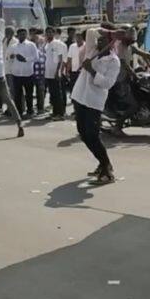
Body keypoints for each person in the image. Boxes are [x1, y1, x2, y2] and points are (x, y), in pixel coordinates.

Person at [71, 27, 121, 185]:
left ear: (111, 43)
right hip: (80, 96)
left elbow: (107, 83)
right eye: (99, 40)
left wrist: (92, 71)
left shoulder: (114, 61)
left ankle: (107, 169)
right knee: (83, 133)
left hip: (94, 101)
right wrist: (107, 31)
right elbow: (91, 32)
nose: (99, 42)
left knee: (92, 135)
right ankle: (102, 163)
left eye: (103, 40)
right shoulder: (92, 51)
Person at [9, 28, 38, 117]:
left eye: (24, 34)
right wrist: (12, 57)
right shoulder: (13, 46)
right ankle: (19, 112)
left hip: (28, 73)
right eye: (21, 34)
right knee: (17, 95)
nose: (23, 36)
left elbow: (36, 57)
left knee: (29, 94)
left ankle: (30, 111)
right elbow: (8, 57)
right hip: (16, 74)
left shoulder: (31, 45)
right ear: (17, 35)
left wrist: (25, 59)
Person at [44, 26, 67, 119]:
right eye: (47, 32)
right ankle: (54, 112)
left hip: (55, 73)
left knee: (58, 93)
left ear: (54, 33)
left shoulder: (58, 43)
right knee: (52, 94)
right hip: (48, 73)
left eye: (50, 32)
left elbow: (60, 59)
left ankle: (60, 114)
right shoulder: (47, 44)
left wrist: (58, 71)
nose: (49, 34)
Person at [32, 30, 47, 114]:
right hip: (31, 72)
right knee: (30, 92)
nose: (39, 40)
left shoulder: (44, 48)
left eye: (40, 39)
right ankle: (31, 109)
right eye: (37, 39)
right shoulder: (31, 47)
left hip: (41, 72)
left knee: (40, 91)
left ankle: (40, 108)